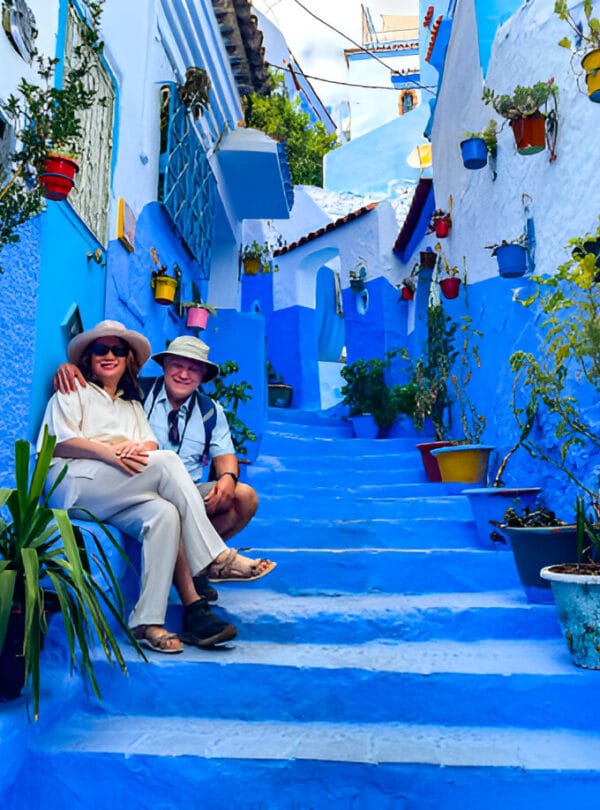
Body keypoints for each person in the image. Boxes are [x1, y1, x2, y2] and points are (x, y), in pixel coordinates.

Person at [40, 320, 275, 654]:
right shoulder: (75, 390)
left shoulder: (132, 404)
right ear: (88, 358)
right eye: (100, 350)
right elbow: (59, 441)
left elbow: (149, 444)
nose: (109, 355)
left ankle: (147, 621)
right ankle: (214, 558)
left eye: (118, 350)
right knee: (167, 463)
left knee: (164, 513)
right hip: (73, 483)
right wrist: (109, 452)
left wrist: (140, 452)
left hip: (121, 489)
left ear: (128, 359)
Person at [54, 335, 259, 602]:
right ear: (164, 366)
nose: (183, 374)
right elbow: (104, 380)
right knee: (169, 505)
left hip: (191, 492)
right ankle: (209, 562)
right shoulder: (136, 392)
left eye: (193, 368)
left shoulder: (210, 411)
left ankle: (198, 563)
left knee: (245, 497)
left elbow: (225, 455)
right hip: (139, 488)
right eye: (177, 365)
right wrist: (69, 367)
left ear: (203, 376)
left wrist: (228, 478)